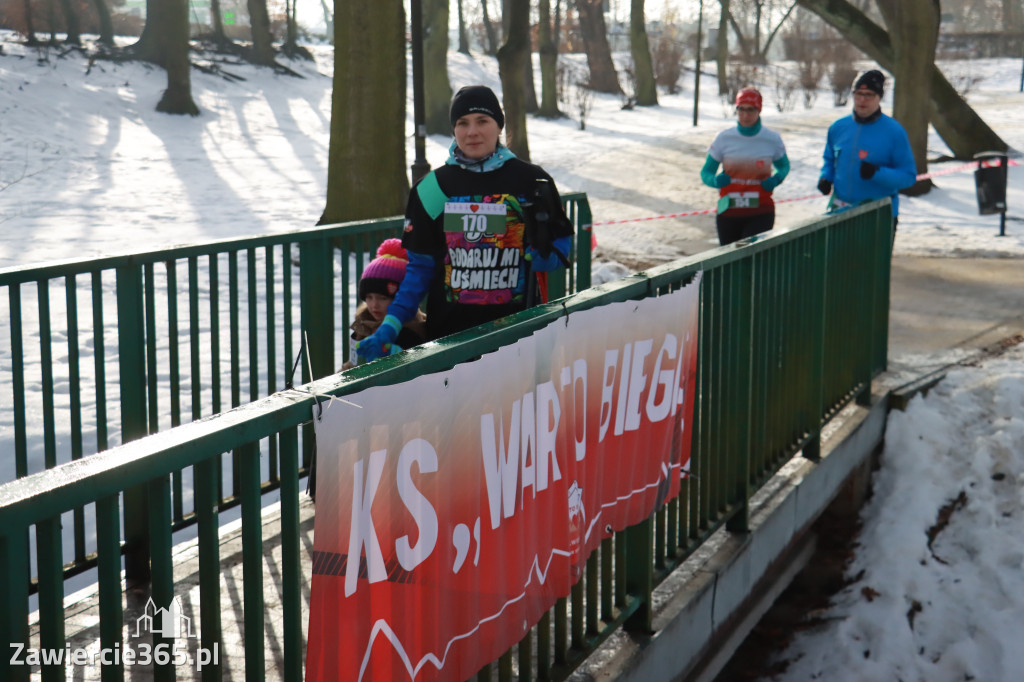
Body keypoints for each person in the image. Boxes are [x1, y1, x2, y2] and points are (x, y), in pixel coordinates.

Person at [356, 84, 574, 362]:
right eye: (463, 123)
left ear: (499, 126)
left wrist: (549, 256)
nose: (472, 132)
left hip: (520, 334)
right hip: (450, 341)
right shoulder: (433, 188)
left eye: (482, 121)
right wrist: (391, 325)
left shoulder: (531, 181)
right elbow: (420, 268)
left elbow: (562, 240)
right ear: (454, 130)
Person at [817, 69, 917, 227]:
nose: (862, 100)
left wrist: (878, 173)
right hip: (840, 213)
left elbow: (908, 176)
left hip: (878, 218)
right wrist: (825, 177)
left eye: (869, 95)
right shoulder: (838, 127)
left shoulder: (894, 132)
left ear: (879, 97)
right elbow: (829, 159)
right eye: (858, 94)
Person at [700, 87, 790, 246]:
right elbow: (706, 172)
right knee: (729, 262)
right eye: (741, 109)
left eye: (751, 110)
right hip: (728, 212)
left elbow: (784, 166)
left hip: (761, 211)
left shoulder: (771, 139)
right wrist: (715, 181)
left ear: (759, 110)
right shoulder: (724, 138)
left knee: (750, 257)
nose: (745, 115)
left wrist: (776, 179)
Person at [341, 238, 426, 370]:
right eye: (369, 297)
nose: (374, 305)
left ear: (401, 299)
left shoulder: (412, 331)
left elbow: (416, 368)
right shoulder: (364, 322)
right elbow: (355, 361)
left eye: (383, 298)